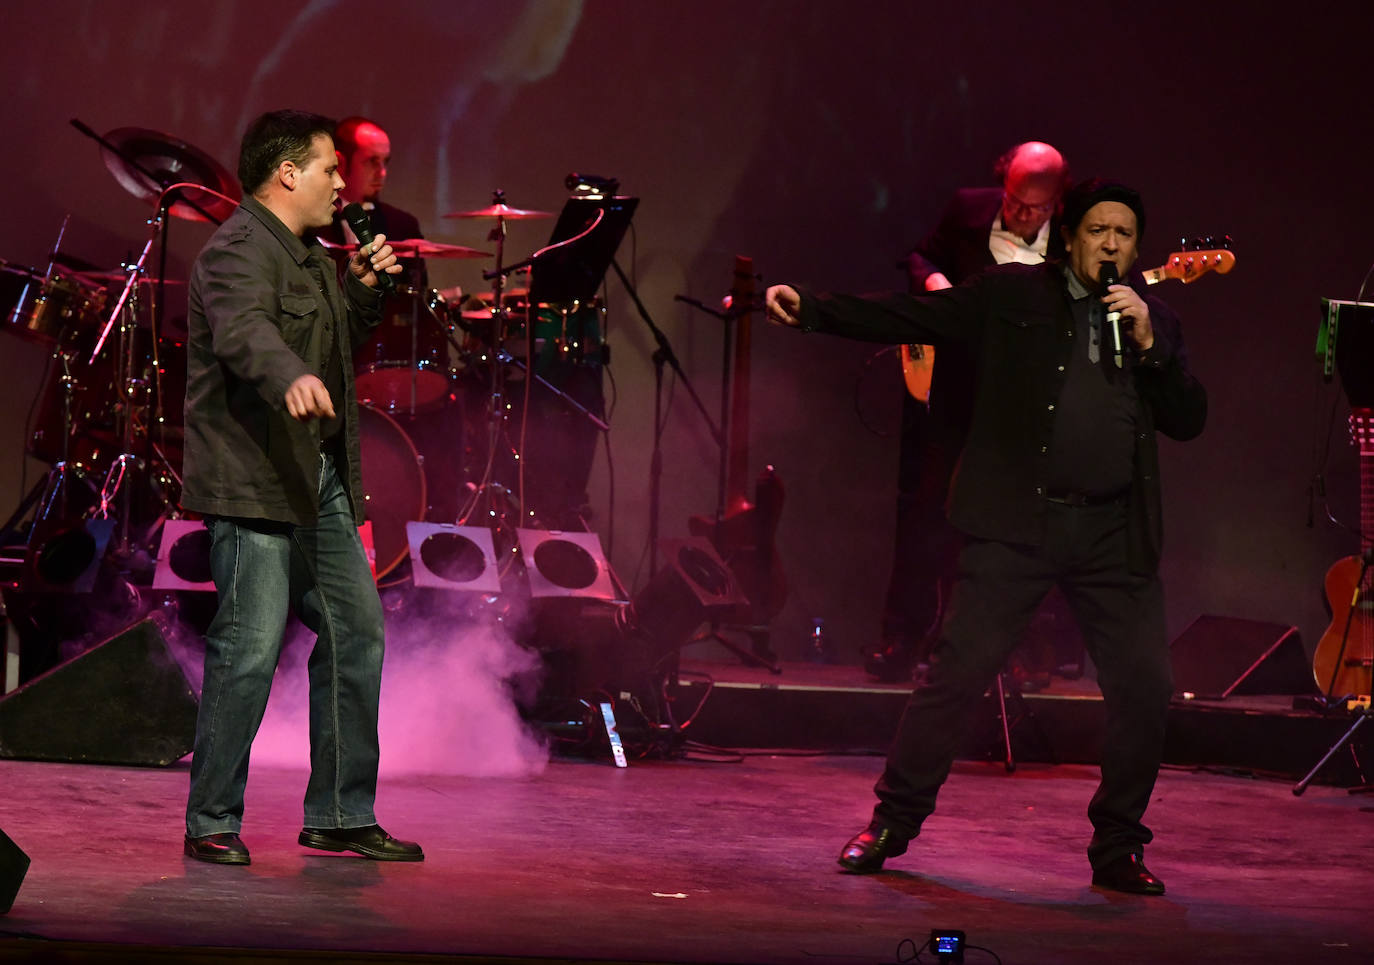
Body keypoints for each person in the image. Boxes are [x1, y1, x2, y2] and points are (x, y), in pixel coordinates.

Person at [765, 179, 1207, 895]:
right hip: (1016, 523)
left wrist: (1154, 346)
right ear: (1070, 236)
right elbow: (917, 312)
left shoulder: (1153, 320)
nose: (1112, 244)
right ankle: (891, 822)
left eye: (1125, 234)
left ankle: (1119, 847)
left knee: (1144, 685)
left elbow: (1189, 418)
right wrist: (814, 310)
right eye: (1099, 230)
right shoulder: (1013, 294)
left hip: (1110, 532)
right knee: (955, 675)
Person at [180, 109, 422, 865]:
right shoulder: (234, 252)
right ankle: (212, 818)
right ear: (287, 172)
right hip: (252, 483)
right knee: (249, 647)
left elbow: (333, 341)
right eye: (329, 168)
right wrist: (290, 376)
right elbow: (246, 332)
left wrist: (366, 292)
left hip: (316, 480)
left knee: (359, 631)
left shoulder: (315, 256)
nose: (342, 183)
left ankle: (342, 814)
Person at [868, 141, 1069, 682]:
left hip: (1022, 405)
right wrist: (937, 284)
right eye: (1015, 201)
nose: (1022, 215)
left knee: (1019, 527)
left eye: (1036, 208)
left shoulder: (1073, 239)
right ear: (1003, 182)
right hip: (956, 392)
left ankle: (1015, 648)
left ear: (1057, 202)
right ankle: (903, 636)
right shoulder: (968, 209)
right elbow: (919, 256)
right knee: (927, 513)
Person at [320, 116, 427, 290]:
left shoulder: (404, 226)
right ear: (340, 162)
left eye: (385, 162)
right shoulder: (314, 223)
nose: (382, 173)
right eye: (372, 162)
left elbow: (413, 302)